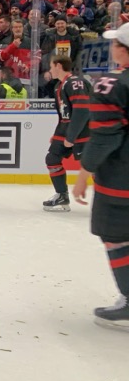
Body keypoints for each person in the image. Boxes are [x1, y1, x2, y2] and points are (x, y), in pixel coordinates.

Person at [73, 23, 129, 330]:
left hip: (121, 177)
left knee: (115, 235)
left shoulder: (112, 83)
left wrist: (84, 172)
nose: (112, 47)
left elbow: (106, 137)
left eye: (117, 43)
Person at [42, 55, 91, 211]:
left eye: (51, 66)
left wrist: (71, 136)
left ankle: (113, 200)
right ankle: (62, 195)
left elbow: (82, 111)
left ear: (58, 65)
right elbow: (64, 114)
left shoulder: (76, 82)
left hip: (83, 131)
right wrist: (57, 134)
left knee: (96, 166)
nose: (50, 70)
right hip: (66, 129)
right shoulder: (59, 86)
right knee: (52, 158)